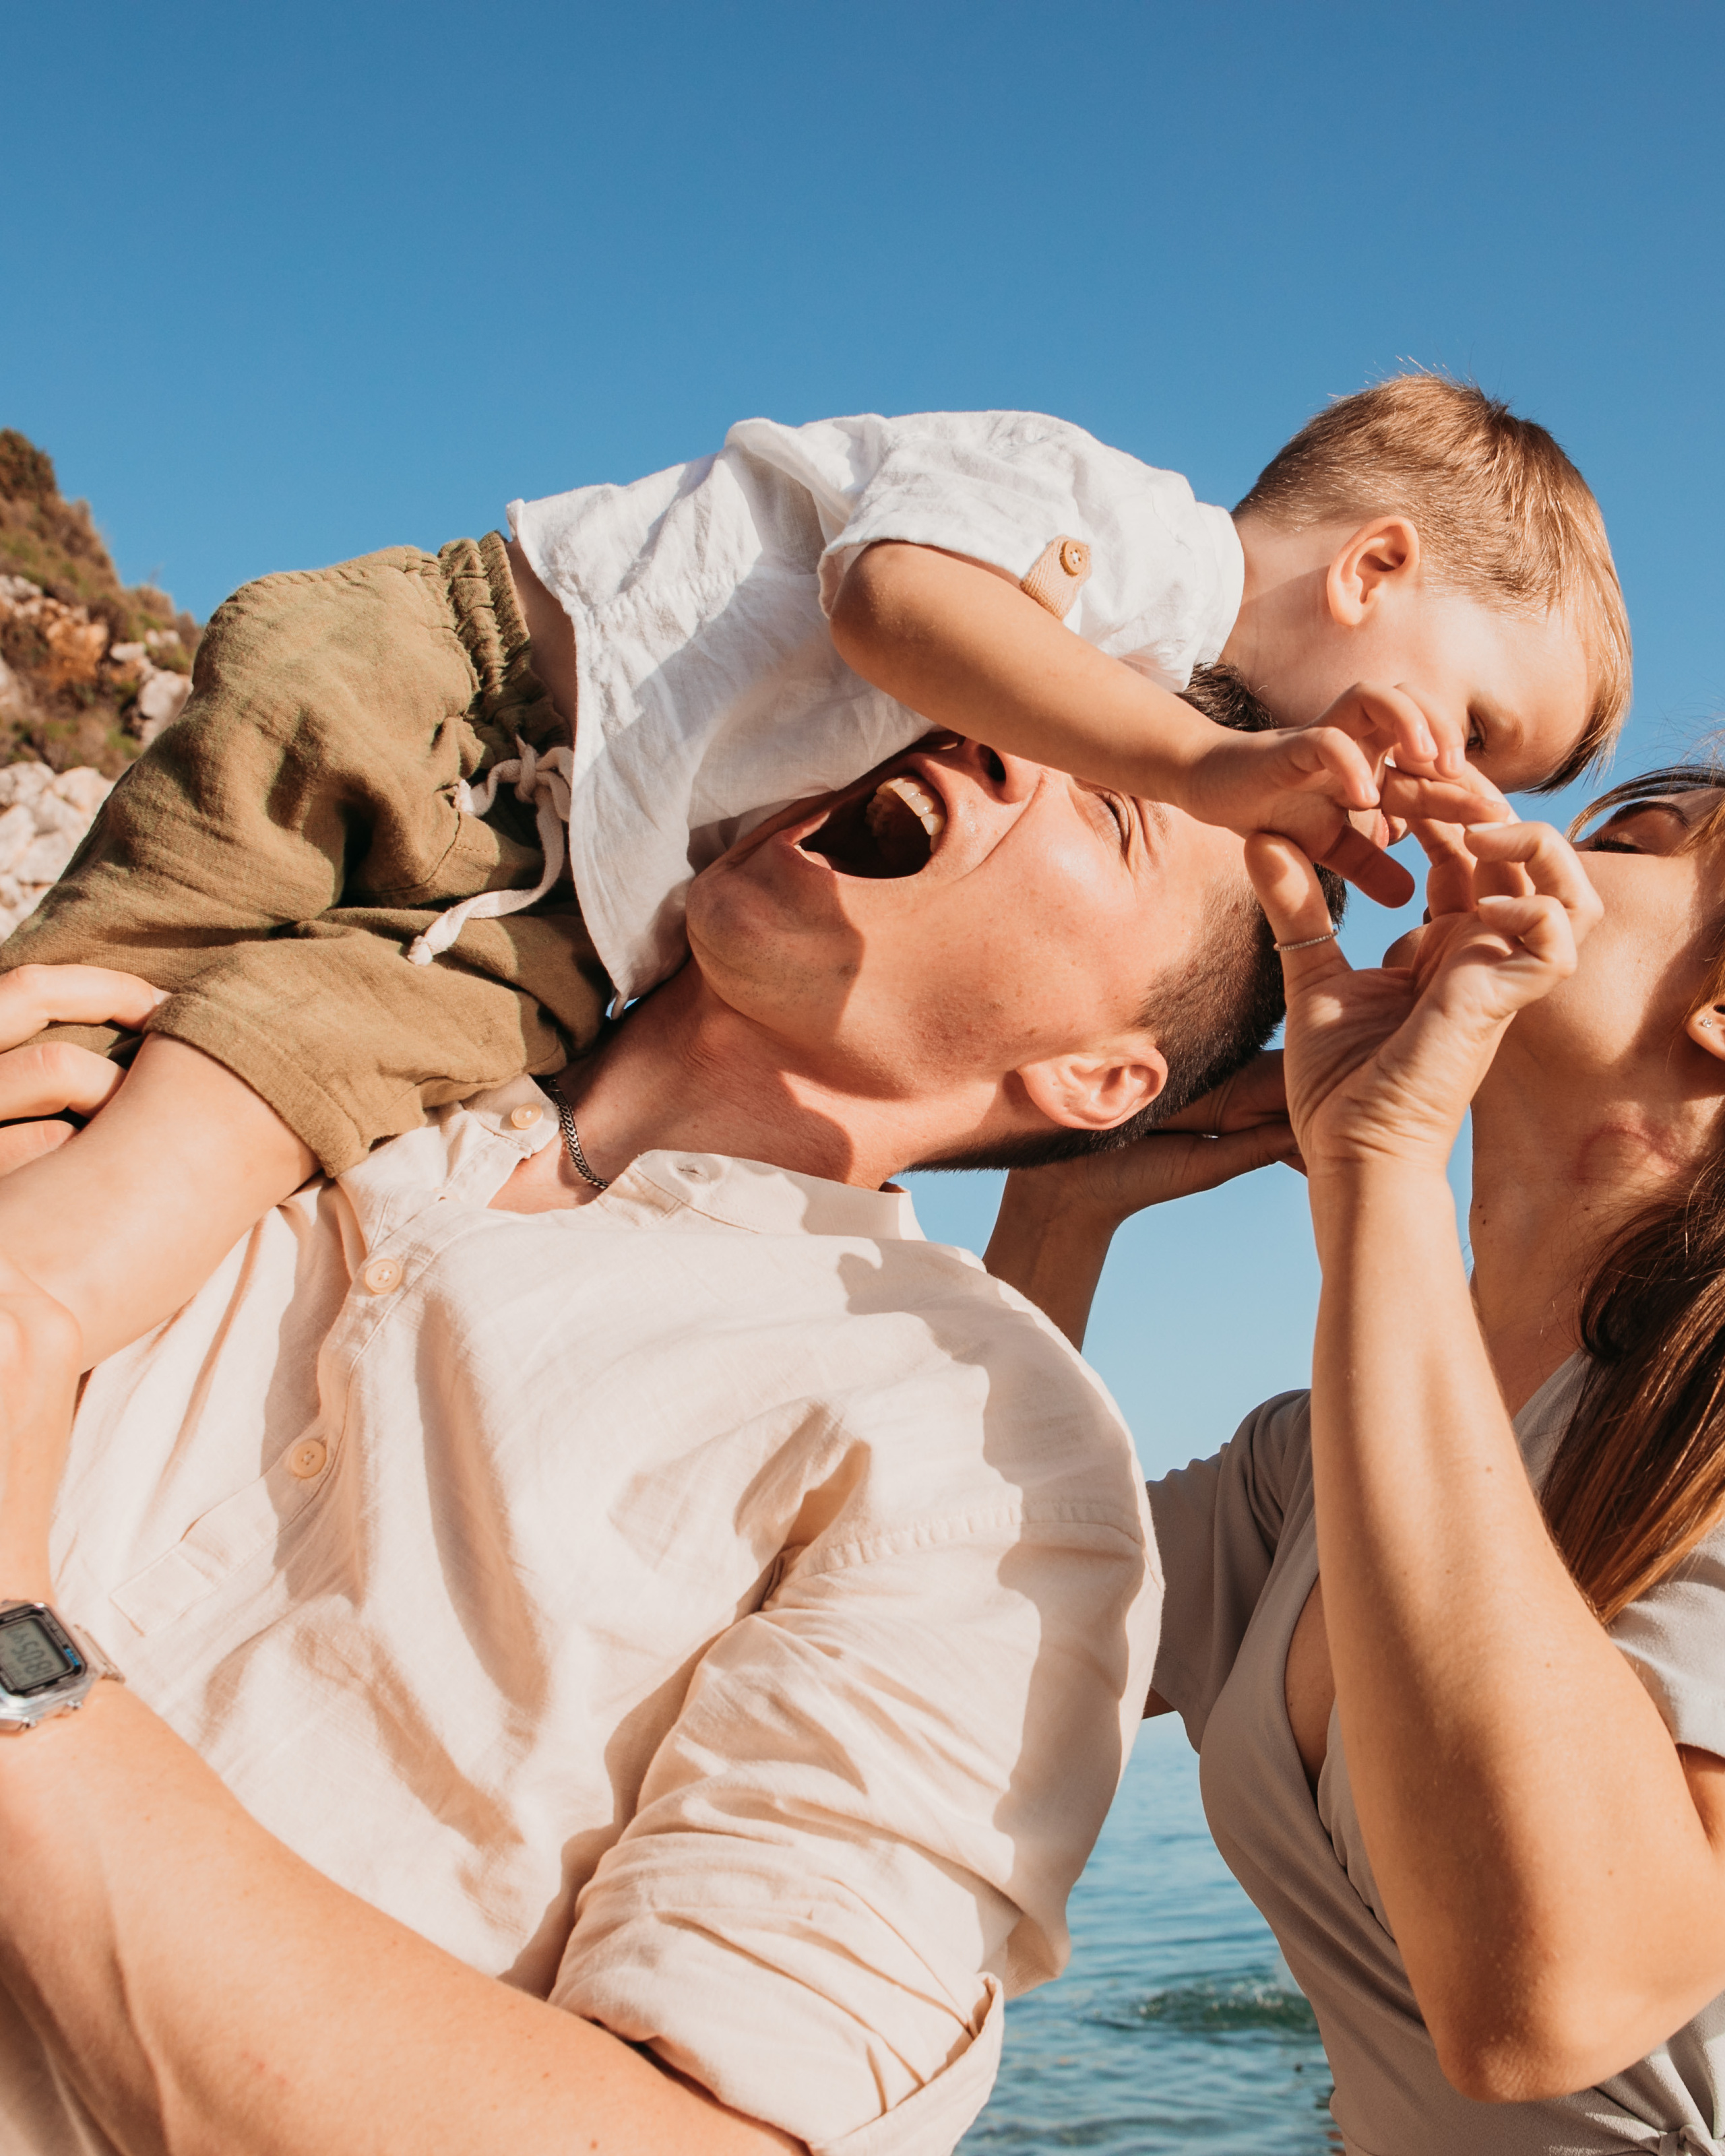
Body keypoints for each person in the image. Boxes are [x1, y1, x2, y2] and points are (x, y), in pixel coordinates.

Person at [0, 732, 1347, 2156]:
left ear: (1096, 1075)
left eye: (1106, 808)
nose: (991, 747)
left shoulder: (980, 1455)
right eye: (984, 711)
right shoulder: (254, 1043)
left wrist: (18, 1670)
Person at [0, 377, 1615, 1368]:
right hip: (452, 689)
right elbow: (889, 605)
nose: (1447, 782)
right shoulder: (1114, 527)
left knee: (231, 1084)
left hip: (553, 878)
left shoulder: (1121, 703)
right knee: (102, 983)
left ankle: (53, 1290)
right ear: (1372, 564)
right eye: (1477, 721)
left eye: (1492, 776)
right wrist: (1194, 771)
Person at [990, 763, 1725, 2151]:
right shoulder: (1307, 1463)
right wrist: (1055, 1210)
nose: (1506, 829)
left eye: (1620, 841)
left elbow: (1548, 2006)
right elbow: (938, 1635)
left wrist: (1376, 1163)